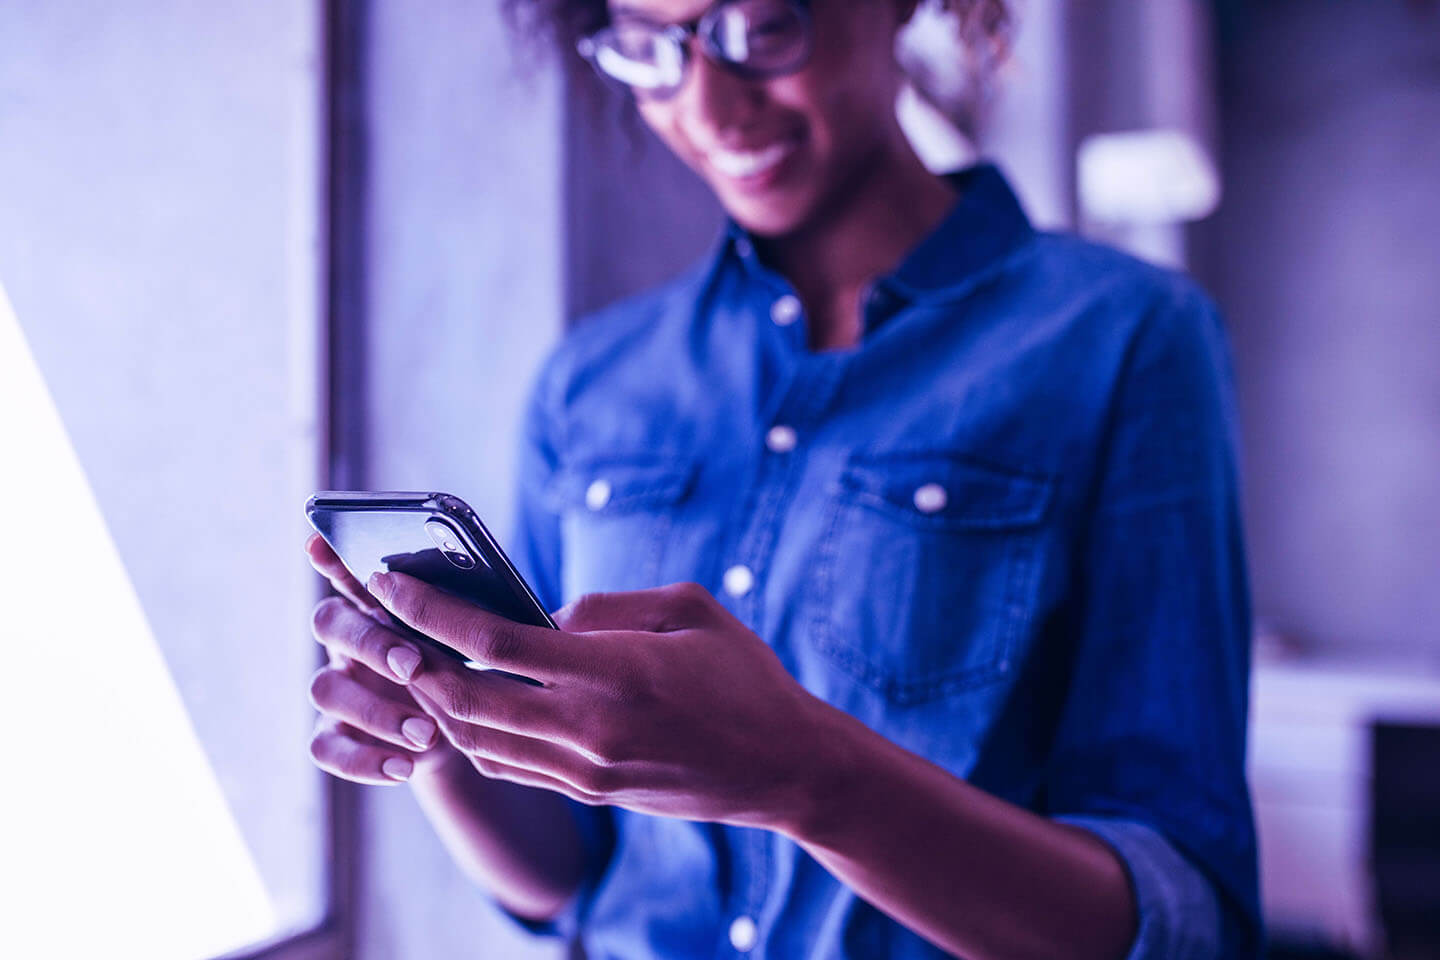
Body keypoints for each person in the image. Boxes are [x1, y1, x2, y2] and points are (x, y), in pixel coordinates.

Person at [304, 1, 1260, 957]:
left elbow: (1181, 919)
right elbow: (575, 878)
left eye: (761, 29)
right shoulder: (592, 382)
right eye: (651, 51)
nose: (710, 109)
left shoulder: (1125, 337)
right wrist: (443, 726)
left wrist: (810, 776)